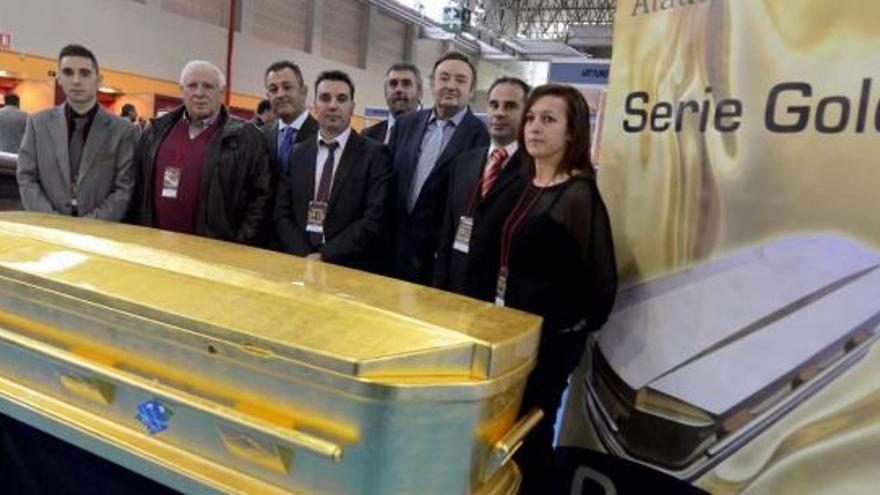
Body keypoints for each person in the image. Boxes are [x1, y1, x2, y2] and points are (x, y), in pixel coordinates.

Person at [502, 84, 618, 493]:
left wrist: (561, 330)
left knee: (532, 435)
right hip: (511, 335)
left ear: (572, 133)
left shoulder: (579, 195)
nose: (534, 127)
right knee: (506, 438)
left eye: (548, 120)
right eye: (531, 118)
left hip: (548, 345)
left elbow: (601, 287)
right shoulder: (524, 184)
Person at [130, 60, 272, 245]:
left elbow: (261, 197)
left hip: (213, 252)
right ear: (182, 90)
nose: (199, 93)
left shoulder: (247, 137)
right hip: (156, 247)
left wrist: (240, 244)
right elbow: (138, 187)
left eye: (208, 86)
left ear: (221, 93)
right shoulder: (155, 130)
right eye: (192, 86)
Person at [388, 51, 489, 283]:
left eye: (460, 80)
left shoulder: (481, 139)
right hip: (394, 254)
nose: (451, 86)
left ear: (471, 91)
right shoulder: (405, 125)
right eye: (444, 78)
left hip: (438, 263)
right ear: (432, 84)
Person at [275, 70, 392, 272]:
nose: (333, 105)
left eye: (341, 99)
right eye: (325, 98)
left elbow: (373, 219)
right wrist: (303, 256)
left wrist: (325, 256)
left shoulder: (375, 155)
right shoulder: (298, 153)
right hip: (299, 264)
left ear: (352, 107)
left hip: (348, 267)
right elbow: (282, 212)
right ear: (315, 106)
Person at [434, 77, 530, 298]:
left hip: (503, 297)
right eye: (494, 105)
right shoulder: (463, 163)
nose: (499, 112)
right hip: (456, 292)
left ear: (527, 113)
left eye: (511, 106)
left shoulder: (534, 170)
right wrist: (439, 291)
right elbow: (447, 234)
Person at [16, 44, 136, 220]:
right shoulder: (37, 124)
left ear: (99, 80)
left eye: (85, 73)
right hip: (48, 228)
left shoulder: (123, 131)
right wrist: (52, 222)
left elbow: (124, 189)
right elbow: (27, 178)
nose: (76, 80)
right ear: (59, 78)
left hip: (99, 233)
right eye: (68, 72)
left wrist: (88, 226)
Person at [262, 61, 319, 176]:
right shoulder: (261, 136)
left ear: (304, 91)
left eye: (287, 87)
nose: (280, 94)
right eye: (273, 90)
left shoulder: (323, 136)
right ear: (268, 97)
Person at [362, 62, 422, 144]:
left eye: (406, 84)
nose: (398, 89)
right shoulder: (367, 137)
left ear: (420, 92)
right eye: (393, 84)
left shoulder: (430, 135)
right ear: (385, 92)